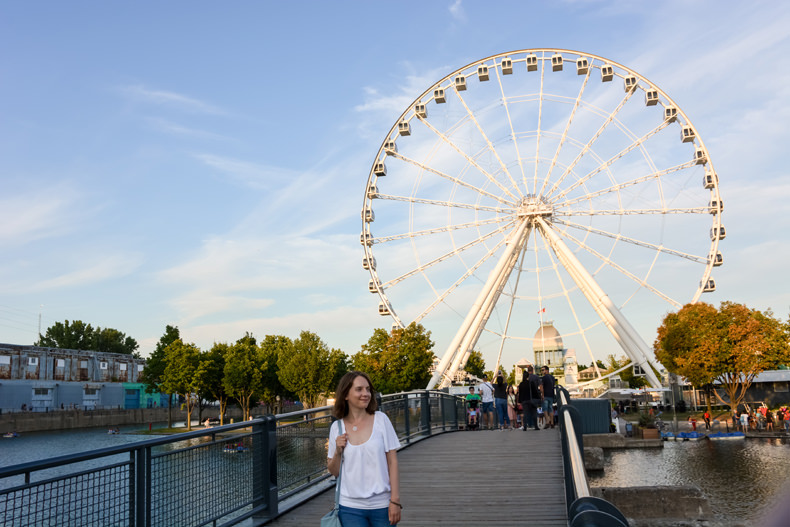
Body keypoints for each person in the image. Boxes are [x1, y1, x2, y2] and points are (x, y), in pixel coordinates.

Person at [328, 371, 402, 526]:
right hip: (349, 507)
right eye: (359, 389)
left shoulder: (381, 420)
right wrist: (337, 452)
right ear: (346, 395)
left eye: (368, 389)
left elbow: (392, 463)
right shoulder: (337, 427)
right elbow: (334, 471)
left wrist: (395, 501)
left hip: (382, 505)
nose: (366, 394)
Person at [518, 366, 541, 431]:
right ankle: (536, 426)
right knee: (534, 413)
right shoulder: (531, 383)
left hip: (524, 401)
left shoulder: (521, 384)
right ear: (528, 376)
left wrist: (520, 401)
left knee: (525, 413)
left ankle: (525, 426)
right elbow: (535, 392)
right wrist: (538, 399)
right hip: (531, 400)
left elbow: (520, 393)